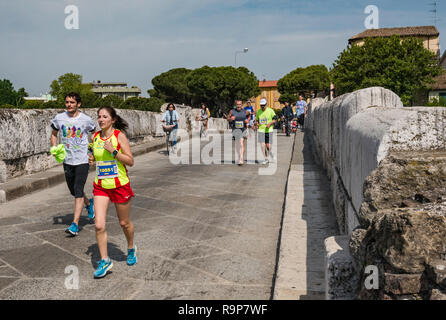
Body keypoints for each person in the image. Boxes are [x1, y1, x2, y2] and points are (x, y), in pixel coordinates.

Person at [89, 106, 136, 278]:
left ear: (113, 120)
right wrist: (92, 159)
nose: (101, 119)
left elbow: (130, 161)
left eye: (105, 117)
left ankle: (131, 247)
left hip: (119, 185)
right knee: (99, 224)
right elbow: (96, 157)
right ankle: (105, 260)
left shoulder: (118, 136)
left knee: (124, 223)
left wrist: (114, 151)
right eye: (99, 116)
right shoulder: (95, 137)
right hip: (101, 186)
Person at [50, 92, 95, 236]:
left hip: (82, 160)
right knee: (73, 190)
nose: (69, 105)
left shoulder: (86, 120)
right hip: (67, 160)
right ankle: (89, 204)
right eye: (67, 102)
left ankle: (75, 224)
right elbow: (54, 134)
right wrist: (54, 148)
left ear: (78, 104)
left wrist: (91, 152)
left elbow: (94, 134)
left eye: (72, 102)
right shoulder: (59, 118)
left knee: (78, 188)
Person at [226, 99, 250, 165]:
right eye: (237, 104)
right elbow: (227, 118)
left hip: (243, 129)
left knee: (241, 143)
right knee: (237, 145)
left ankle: (241, 159)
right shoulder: (232, 111)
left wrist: (247, 120)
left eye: (240, 104)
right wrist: (230, 119)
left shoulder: (245, 111)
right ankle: (240, 157)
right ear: (236, 105)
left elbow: (250, 116)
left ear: (242, 105)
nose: (238, 106)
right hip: (235, 130)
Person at [254, 98, 277, 164]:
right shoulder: (258, 112)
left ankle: (271, 154)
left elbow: (275, 119)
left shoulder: (270, 111)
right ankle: (266, 158)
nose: (262, 106)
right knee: (262, 145)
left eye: (264, 105)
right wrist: (256, 123)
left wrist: (270, 123)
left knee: (268, 146)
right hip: (261, 130)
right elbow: (257, 120)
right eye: (261, 105)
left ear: (266, 104)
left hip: (269, 130)